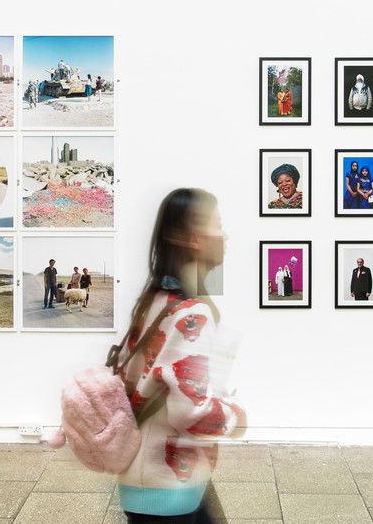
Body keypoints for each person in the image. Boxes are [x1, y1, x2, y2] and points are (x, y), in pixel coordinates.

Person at [118, 188, 244, 522]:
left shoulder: (155, 300)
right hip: (168, 485)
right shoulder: (193, 314)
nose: (224, 235)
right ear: (188, 238)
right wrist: (234, 417)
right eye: (215, 223)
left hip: (146, 478)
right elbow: (191, 410)